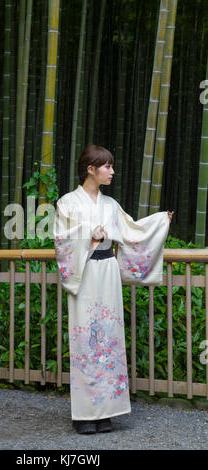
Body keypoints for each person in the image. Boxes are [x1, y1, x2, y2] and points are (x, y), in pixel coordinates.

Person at [53, 144, 173, 434]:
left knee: (109, 337)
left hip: (107, 272)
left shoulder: (111, 206)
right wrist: (87, 233)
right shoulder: (67, 203)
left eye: (111, 166)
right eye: (107, 166)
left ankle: (107, 412)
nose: (112, 171)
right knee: (85, 340)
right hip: (84, 275)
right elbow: (60, 239)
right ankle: (84, 415)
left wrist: (159, 222)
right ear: (91, 169)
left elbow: (133, 232)